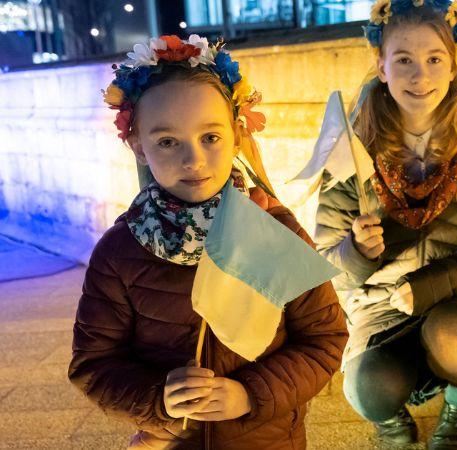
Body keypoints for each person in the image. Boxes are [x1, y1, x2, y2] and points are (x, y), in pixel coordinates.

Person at [68, 35, 347, 449]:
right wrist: (157, 399)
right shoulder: (119, 252)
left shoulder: (272, 230)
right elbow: (94, 363)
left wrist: (250, 394)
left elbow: (324, 338)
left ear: (236, 134)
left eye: (210, 137)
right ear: (137, 146)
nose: (193, 159)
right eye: (167, 141)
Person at [314, 1, 457, 448]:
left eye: (434, 59)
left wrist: (429, 286)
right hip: (381, 304)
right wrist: (357, 253)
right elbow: (325, 261)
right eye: (404, 60)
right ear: (382, 66)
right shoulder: (351, 152)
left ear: (453, 67)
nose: (420, 76)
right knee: (368, 390)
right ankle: (391, 422)